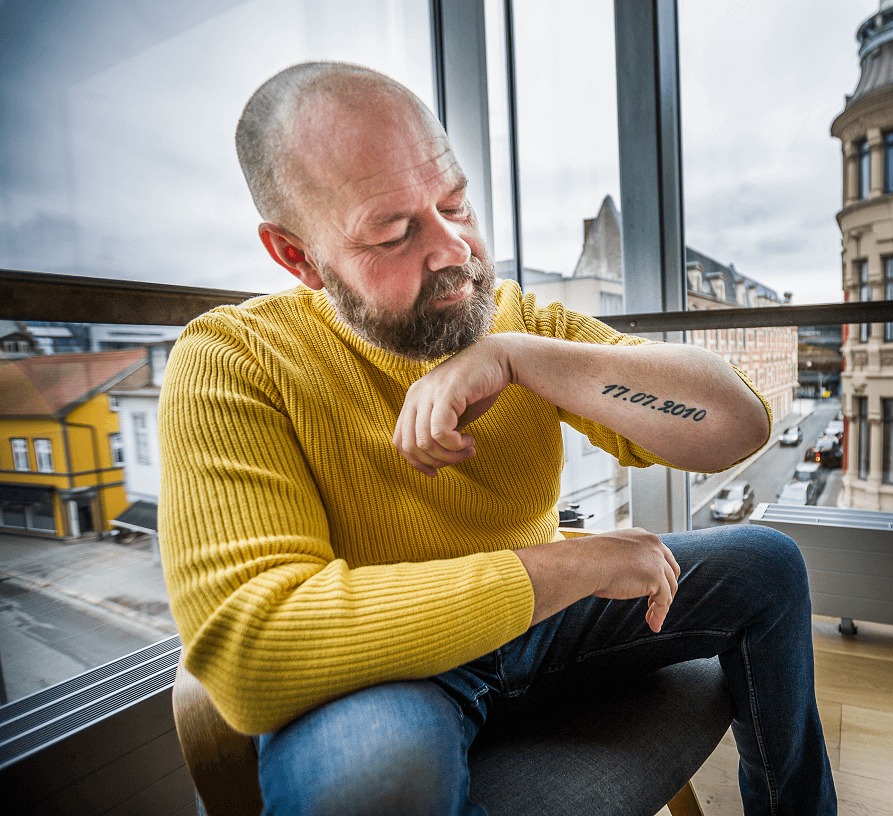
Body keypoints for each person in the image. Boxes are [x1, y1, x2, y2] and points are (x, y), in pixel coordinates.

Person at [159, 61, 836, 815]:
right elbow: (252, 653)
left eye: (455, 203)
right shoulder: (231, 361)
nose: (454, 249)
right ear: (296, 256)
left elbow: (735, 425)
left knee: (769, 565)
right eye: (393, 231)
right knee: (373, 783)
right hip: (393, 671)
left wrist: (518, 359)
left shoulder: (517, 321)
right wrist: (568, 568)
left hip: (553, 635)